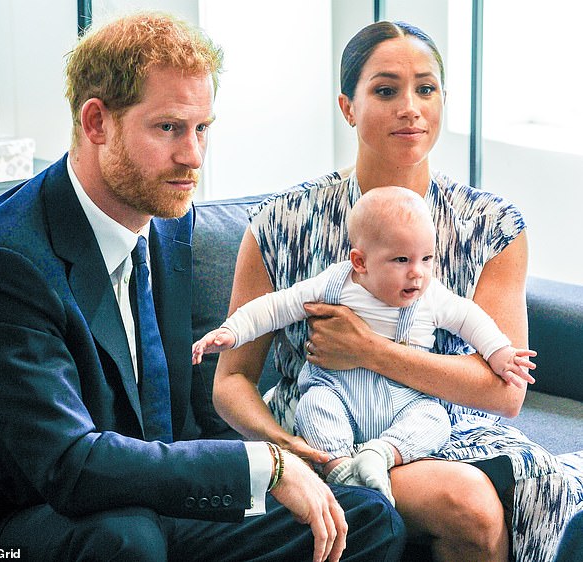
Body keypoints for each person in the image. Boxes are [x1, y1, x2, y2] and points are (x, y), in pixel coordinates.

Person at [0, 12, 407, 562]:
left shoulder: (166, 221)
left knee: (362, 518)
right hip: (11, 526)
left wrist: (277, 471)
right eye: (168, 128)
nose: (193, 157)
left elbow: (175, 424)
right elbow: (68, 465)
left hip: (145, 499)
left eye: (202, 128)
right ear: (97, 122)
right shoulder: (4, 265)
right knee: (128, 540)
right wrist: (265, 465)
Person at [212, 20, 583, 562]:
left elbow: (504, 392)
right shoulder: (280, 222)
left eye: (425, 89)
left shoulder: (492, 224)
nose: (410, 107)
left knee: (540, 487)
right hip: (321, 427)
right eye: (386, 90)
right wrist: (286, 450)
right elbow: (232, 381)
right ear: (348, 107)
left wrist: (368, 350)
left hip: (441, 426)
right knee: (472, 505)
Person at [194, 186, 537, 504]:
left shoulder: (431, 296)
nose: (417, 273)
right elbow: (277, 306)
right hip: (337, 389)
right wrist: (232, 331)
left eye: (427, 259)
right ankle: (338, 466)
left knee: (433, 418)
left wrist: (500, 353)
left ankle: (381, 453)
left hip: (404, 398)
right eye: (401, 260)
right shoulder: (337, 283)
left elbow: (471, 319)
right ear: (360, 262)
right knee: (314, 407)